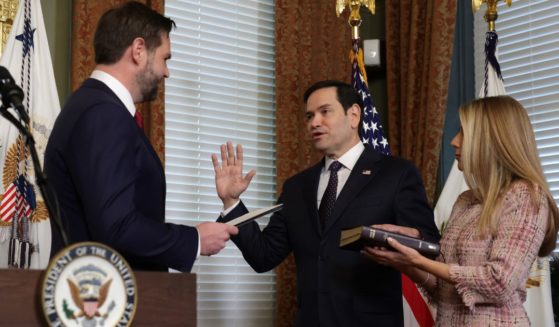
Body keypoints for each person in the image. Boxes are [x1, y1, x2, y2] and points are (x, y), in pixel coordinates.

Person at [212, 80, 441, 326]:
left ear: (353, 115)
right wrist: (231, 201)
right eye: (309, 115)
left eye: (325, 112)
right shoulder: (296, 187)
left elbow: (429, 244)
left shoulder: (396, 174)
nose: (314, 122)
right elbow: (263, 256)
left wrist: (399, 240)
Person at [44, 1, 239, 272]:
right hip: (102, 297)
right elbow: (116, 225)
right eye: (165, 58)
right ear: (138, 50)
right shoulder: (104, 114)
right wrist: (194, 239)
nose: (166, 72)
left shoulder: (93, 105)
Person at [365, 96, 559, 326]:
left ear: (493, 139)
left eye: (464, 133)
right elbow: (444, 291)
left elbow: (499, 283)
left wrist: (421, 261)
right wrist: (405, 261)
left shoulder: (526, 195)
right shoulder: (465, 200)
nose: (454, 141)